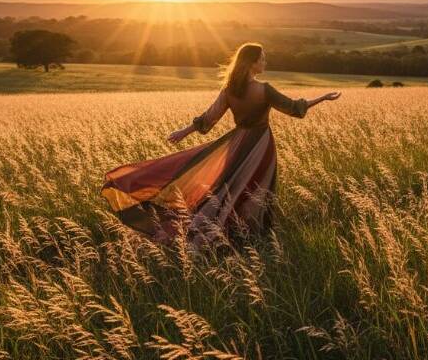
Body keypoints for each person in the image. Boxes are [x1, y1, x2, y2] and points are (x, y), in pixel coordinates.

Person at [100, 43, 340, 246]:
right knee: (257, 189)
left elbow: (208, 118)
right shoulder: (264, 89)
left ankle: (227, 233)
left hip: (236, 143)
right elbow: (293, 107)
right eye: (262, 59)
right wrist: (323, 98)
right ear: (252, 63)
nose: (265, 63)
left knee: (227, 189)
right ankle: (251, 236)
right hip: (261, 146)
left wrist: (184, 131)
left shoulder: (229, 90)